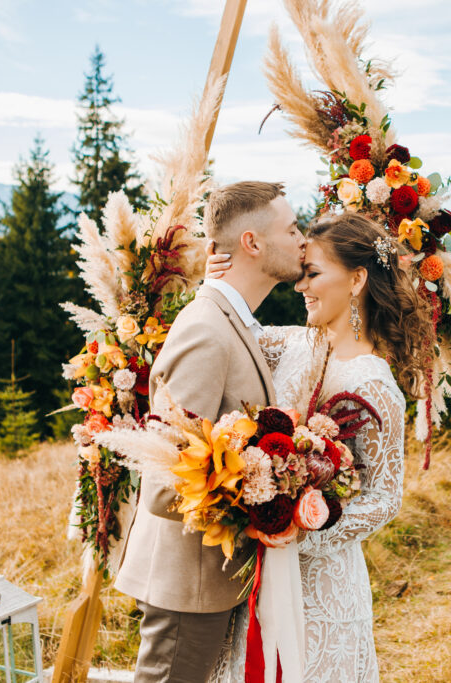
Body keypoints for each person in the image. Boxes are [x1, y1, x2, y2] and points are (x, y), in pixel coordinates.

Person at [206, 212, 434, 682]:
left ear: (356, 280)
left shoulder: (374, 384)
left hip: (322, 588)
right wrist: (213, 285)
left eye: (312, 275)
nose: (300, 287)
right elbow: (225, 334)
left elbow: (384, 498)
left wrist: (307, 527)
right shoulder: (291, 344)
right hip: (258, 575)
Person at [114, 180, 306, 683]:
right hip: (187, 586)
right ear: (252, 243)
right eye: (291, 229)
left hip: (211, 582)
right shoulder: (207, 330)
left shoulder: (233, 321)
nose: (302, 239)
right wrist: (260, 494)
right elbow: (163, 484)